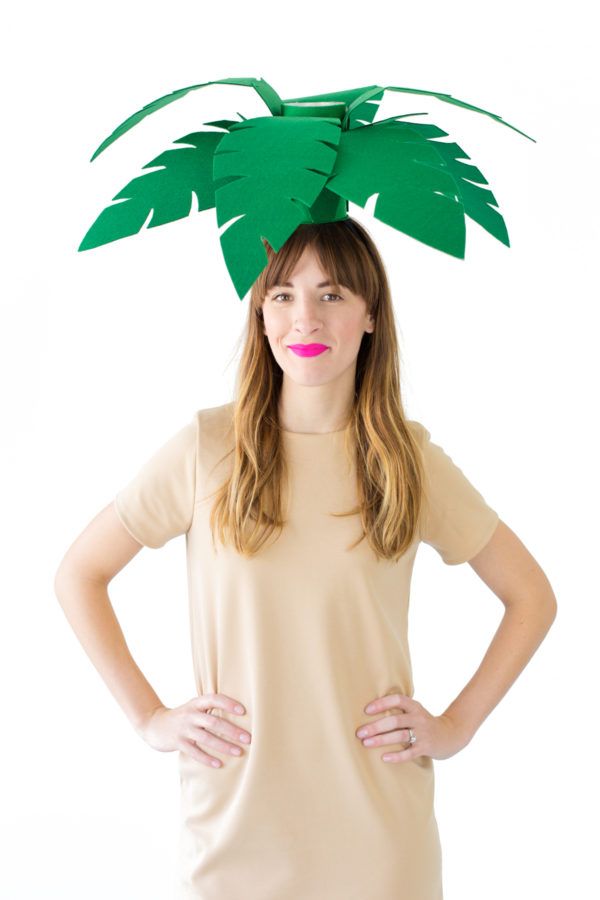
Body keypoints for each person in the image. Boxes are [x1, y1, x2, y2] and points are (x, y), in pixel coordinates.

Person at [54, 217, 557, 899]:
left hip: (379, 833)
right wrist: (151, 719)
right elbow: (79, 574)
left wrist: (455, 726)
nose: (305, 318)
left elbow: (531, 596)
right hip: (235, 823)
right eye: (283, 295)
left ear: (371, 313)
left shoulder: (408, 462)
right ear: (260, 315)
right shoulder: (205, 450)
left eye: (332, 294)